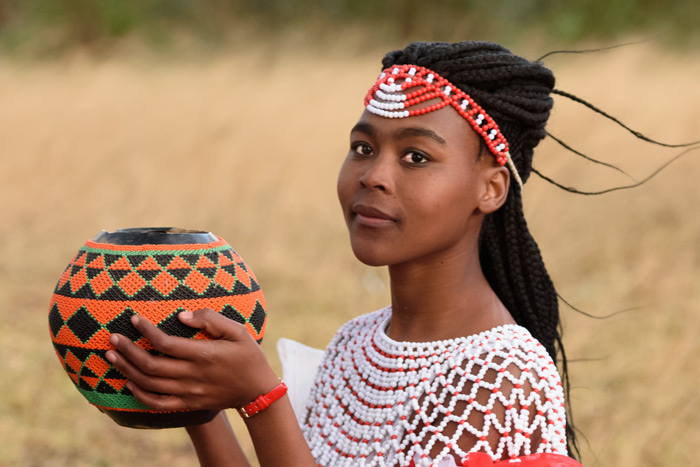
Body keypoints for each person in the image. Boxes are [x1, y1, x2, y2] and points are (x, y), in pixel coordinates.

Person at [105, 41, 586, 467]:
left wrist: (261, 399)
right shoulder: (354, 345)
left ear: (491, 188)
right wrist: (197, 403)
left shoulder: (501, 373)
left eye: (416, 157)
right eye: (362, 147)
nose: (373, 175)